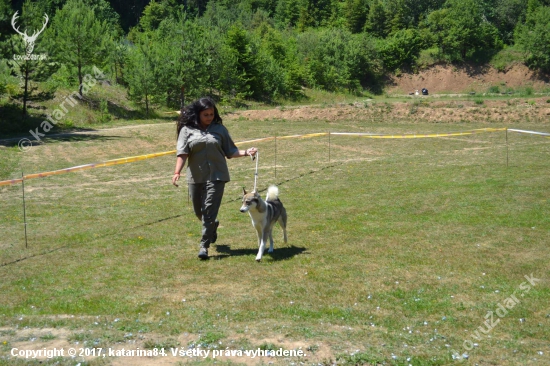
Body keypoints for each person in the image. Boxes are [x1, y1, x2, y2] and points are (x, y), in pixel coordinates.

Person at [172, 97, 257, 259]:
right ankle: (213, 225)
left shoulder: (220, 129)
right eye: (206, 114)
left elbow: (230, 151)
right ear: (198, 114)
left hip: (217, 175)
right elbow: (182, 153)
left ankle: (204, 246)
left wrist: (247, 152)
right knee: (199, 212)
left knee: (209, 211)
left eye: (211, 114)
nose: (209, 117)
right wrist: (177, 172)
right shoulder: (187, 130)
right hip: (195, 176)